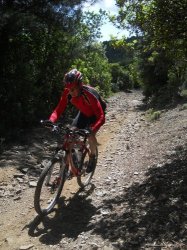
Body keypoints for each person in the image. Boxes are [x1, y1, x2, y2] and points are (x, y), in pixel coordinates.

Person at [48, 69, 106, 173]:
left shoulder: (89, 94)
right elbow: (59, 109)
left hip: (96, 114)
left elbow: (101, 117)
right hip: (84, 113)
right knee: (69, 134)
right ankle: (73, 160)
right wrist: (51, 121)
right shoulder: (68, 91)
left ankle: (92, 157)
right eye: (68, 89)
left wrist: (92, 129)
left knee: (90, 135)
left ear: (80, 85)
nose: (70, 92)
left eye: (73, 89)